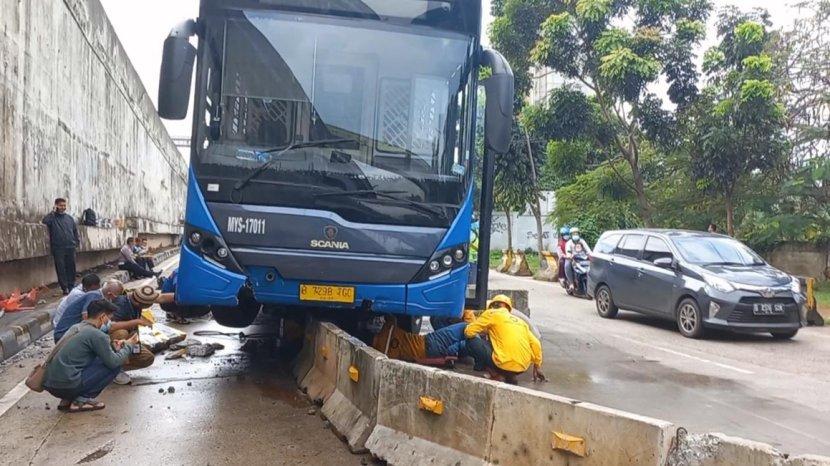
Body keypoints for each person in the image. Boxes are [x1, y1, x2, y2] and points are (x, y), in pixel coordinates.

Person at [43, 299, 138, 413]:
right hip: (66, 386)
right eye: (109, 318)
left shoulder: (76, 327)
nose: (109, 322)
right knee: (115, 365)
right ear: (103, 317)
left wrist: (113, 347)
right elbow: (114, 361)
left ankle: (67, 400)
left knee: (102, 359)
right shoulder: (97, 335)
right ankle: (80, 401)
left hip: (51, 384)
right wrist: (129, 345)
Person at [464, 295, 545, 385]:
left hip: (502, 365)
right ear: (508, 308)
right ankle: (508, 375)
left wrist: (484, 331)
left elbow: (469, 332)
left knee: (471, 342)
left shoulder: (491, 313)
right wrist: (537, 366)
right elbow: (536, 344)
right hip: (522, 368)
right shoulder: (521, 322)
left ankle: (495, 374)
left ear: (492, 306)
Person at [109, 286, 175, 384]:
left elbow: (162, 298)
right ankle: (116, 369)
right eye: (149, 304)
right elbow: (111, 326)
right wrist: (137, 321)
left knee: (147, 358)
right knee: (121, 332)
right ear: (139, 303)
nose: (152, 305)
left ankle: (108, 370)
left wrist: (186, 295)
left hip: (129, 339)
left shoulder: (139, 298)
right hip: (110, 341)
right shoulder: (121, 304)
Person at [53, 280, 133, 342]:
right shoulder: (94, 296)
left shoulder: (98, 296)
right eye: (116, 297)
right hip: (64, 336)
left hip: (70, 333)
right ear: (110, 294)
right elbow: (86, 318)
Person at [371, 317, 477, 362]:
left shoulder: (385, 354)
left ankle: (470, 350)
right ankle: (481, 345)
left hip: (431, 352)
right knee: (465, 327)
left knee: (458, 347)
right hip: (430, 341)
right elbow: (391, 316)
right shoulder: (387, 330)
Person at [42, 198, 80, 295]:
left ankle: (71, 286)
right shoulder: (52, 218)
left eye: (64, 205)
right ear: (56, 206)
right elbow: (44, 221)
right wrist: (53, 212)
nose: (63, 207)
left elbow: (75, 231)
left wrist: (76, 242)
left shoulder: (69, 218)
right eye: (61, 205)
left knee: (71, 267)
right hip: (58, 247)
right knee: (61, 268)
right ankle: (65, 288)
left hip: (70, 246)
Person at [564, 227, 592, 293]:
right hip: (573, 259)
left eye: (576, 233)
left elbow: (588, 250)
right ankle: (571, 283)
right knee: (567, 265)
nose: (575, 235)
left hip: (583, 260)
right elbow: (568, 252)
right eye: (574, 234)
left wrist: (590, 255)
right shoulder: (569, 243)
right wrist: (569, 256)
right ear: (571, 235)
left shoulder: (582, 241)